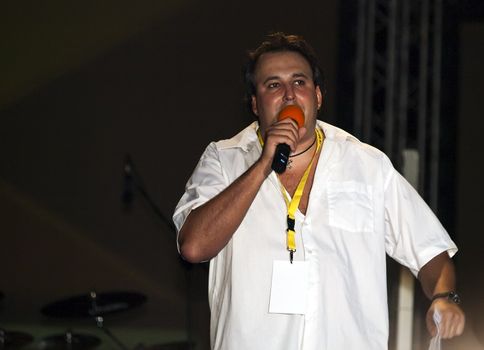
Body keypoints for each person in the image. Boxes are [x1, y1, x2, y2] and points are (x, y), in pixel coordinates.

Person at [173, 32, 465, 349]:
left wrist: (444, 296)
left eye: (299, 83)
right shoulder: (223, 159)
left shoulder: (366, 164)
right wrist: (263, 165)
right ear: (255, 104)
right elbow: (193, 246)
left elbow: (431, 252)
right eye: (273, 85)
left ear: (318, 97)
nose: (288, 95)